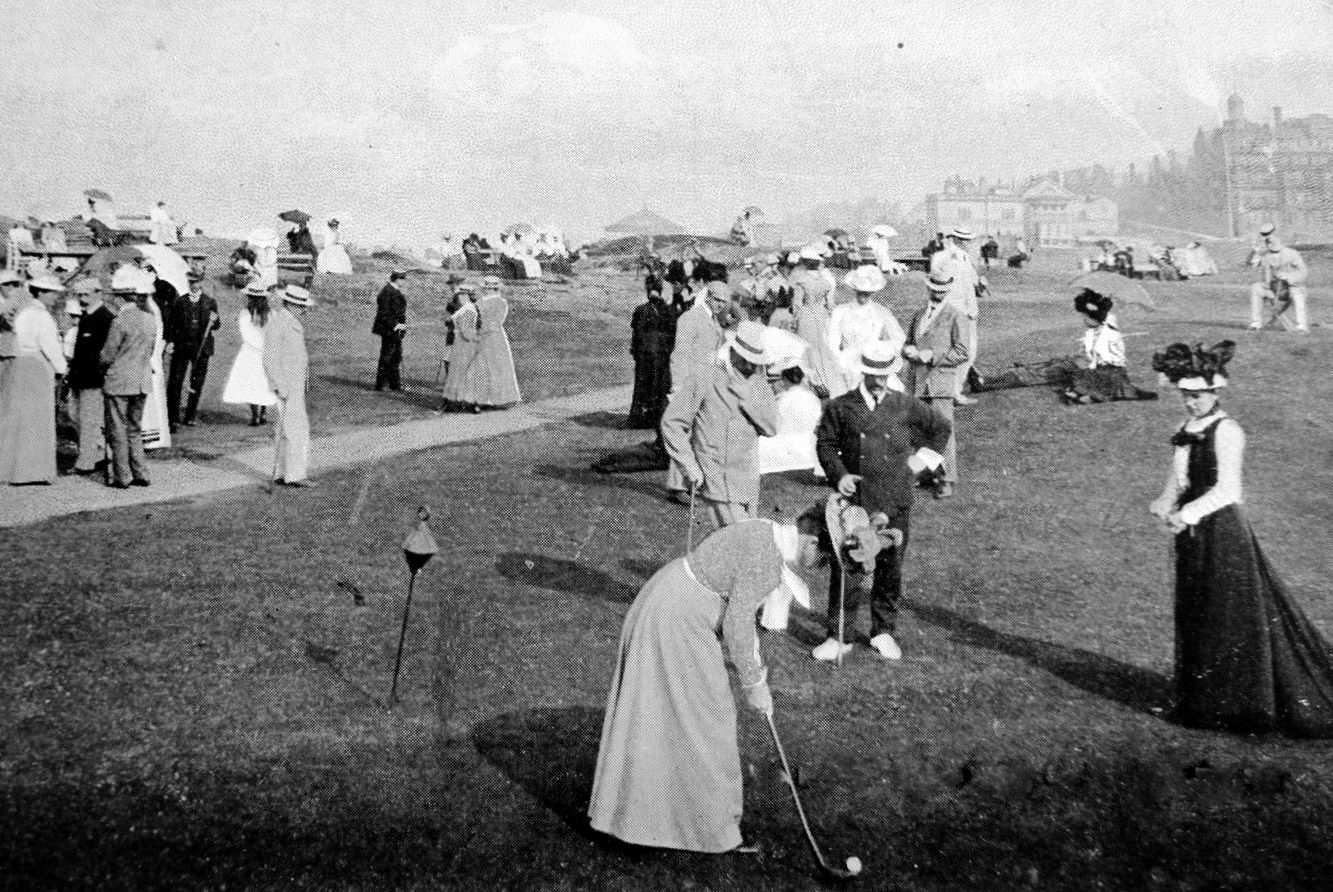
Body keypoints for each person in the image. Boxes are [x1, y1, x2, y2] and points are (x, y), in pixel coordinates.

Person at [589, 509, 827, 853]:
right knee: (707, 719)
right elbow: (736, 625)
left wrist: (755, 674)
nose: (820, 567)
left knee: (672, 713)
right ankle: (710, 829)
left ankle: (654, 817)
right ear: (812, 541)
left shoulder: (765, 529)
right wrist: (755, 684)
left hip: (668, 600)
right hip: (677, 620)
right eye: (823, 559)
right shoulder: (767, 559)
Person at [1148, 341, 1333, 737]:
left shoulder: (1228, 431)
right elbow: (1180, 478)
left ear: (1215, 393)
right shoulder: (1185, 429)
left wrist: (1186, 513)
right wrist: (1165, 501)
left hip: (1224, 533)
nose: (1190, 402)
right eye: (1185, 395)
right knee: (1198, 610)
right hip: (1193, 536)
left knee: (1230, 614)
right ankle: (1204, 701)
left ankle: (1242, 705)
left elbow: (1228, 489)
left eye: (1197, 396)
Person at [814, 342, 952, 661]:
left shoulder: (906, 405)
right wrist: (840, 475)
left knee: (890, 569)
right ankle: (839, 635)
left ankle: (883, 631)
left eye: (884, 375)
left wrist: (916, 468)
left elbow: (940, 428)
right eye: (873, 375)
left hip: (895, 502)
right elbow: (825, 443)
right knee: (847, 567)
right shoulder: (840, 407)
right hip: (856, 505)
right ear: (863, 371)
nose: (879, 381)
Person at [661, 321, 778, 528]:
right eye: (747, 360)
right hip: (717, 479)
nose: (751, 367)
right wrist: (689, 466)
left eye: (756, 362)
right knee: (743, 545)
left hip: (748, 480)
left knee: (736, 546)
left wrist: (747, 399)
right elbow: (672, 423)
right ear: (733, 352)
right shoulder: (705, 376)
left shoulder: (759, 383)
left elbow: (771, 428)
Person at [902, 271, 969, 497]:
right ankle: (926, 472)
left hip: (940, 384)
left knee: (942, 431)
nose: (938, 293)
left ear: (948, 290)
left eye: (942, 290)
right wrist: (907, 350)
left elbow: (962, 352)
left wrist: (932, 356)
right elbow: (909, 342)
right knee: (920, 431)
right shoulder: (919, 314)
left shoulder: (956, 316)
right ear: (928, 288)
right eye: (934, 289)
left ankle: (946, 478)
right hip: (917, 382)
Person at [0, 272, 67, 485]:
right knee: (38, 419)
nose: (56, 297)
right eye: (53, 293)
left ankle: (13, 470)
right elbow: (50, 347)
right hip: (37, 366)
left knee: (18, 417)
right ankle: (34, 471)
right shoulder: (41, 316)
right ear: (42, 293)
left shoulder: (22, 313)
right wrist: (62, 367)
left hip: (20, 364)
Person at [98, 267, 157, 488]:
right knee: (134, 428)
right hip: (142, 380)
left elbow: (108, 355)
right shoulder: (150, 320)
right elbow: (150, 351)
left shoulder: (119, 321)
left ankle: (122, 475)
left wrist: (100, 362)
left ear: (120, 297)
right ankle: (141, 472)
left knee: (118, 429)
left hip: (119, 381)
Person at [1062, 289, 1157, 404]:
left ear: (1094, 318)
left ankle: (1088, 397)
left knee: (1100, 381)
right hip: (1100, 369)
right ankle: (1081, 393)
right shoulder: (1092, 331)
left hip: (1110, 371)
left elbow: (1105, 356)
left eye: (1086, 317)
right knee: (1089, 376)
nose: (1083, 320)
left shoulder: (1108, 334)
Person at [827, 264, 906, 394]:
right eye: (860, 292)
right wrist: (841, 360)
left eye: (867, 293)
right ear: (854, 290)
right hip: (848, 364)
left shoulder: (880, 312)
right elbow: (832, 341)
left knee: (891, 395)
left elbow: (898, 337)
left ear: (872, 292)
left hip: (874, 361)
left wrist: (882, 351)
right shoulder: (840, 311)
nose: (862, 296)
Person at [264, 284, 314, 486]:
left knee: (288, 428)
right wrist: (279, 384)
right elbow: (270, 358)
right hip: (287, 384)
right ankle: (295, 475)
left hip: (294, 383)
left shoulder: (289, 320)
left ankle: (283, 473)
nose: (305, 309)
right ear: (291, 304)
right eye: (302, 305)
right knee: (295, 429)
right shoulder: (280, 322)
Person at [66, 277, 116, 474]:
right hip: (80, 378)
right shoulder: (87, 316)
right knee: (75, 416)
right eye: (79, 295)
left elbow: (106, 353)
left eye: (86, 294)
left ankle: (85, 462)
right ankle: (100, 452)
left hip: (93, 380)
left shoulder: (105, 318)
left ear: (98, 293)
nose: (82, 298)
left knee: (88, 420)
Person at [929, 227, 982, 405]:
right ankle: (952, 392)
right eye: (965, 239)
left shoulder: (964, 258)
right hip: (958, 310)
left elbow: (972, 284)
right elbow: (940, 284)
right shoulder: (947, 257)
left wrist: (979, 283)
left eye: (968, 239)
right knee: (964, 351)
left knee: (959, 351)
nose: (968, 243)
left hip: (962, 309)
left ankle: (948, 390)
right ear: (957, 240)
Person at [163, 269, 221, 429]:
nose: (193, 285)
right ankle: (172, 417)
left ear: (201, 282)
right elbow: (171, 324)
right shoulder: (180, 302)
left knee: (197, 382)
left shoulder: (210, 302)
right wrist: (170, 341)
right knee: (175, 382)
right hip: (182, 347)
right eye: (191, 282)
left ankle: (190, 415)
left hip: (201, 349)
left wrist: (214, 320)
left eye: (196, 282)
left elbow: (217, 325)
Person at [458, 275, 521, 409]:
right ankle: (476, 400)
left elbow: (496, 323)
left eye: (488, 288)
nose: (486, 290)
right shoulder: (479, 301)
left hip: (494, 339)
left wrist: (479, 330)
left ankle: (491, 400)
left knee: (495, 368)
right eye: (485, 287)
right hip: (479, 338)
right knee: (477, 368)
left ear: (494, 288)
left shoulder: (500, 303)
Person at [222, 281, 278, 426]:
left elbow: (247, 334)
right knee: (262, 382)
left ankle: (257, 415)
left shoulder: (247, 314)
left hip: (252, 352)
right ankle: (261, 413)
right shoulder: (269, 314)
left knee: (254, 382)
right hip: (263, 351)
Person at [757, 356, 823, 476]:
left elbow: (774, 428)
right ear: (802, 378)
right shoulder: (812, 398)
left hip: (790, 446)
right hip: (809, 446)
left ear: (783, 380)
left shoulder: (782, 400)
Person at [628, 279, 675, 429]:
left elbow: (636, 334)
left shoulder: (641, 310)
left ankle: (639, 418)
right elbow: (672, 335)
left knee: (642, 386)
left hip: (645, 353)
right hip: (660, 354)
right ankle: (655, 418)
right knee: (658, 386)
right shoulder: (667, 311)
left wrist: (635, 351)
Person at [1248, 225, 1309, 332]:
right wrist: (1255, 251)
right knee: (1256, 287)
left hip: (1291, 288)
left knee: (1298, 293)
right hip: (1273, 289)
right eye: (1268, 242)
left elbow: (1304, 273)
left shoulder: (1292, 253)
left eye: (1273, 241)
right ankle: (1256, 323)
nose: (1270, 244)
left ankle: (1301, 325)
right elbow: (1250, 263)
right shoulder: (1266, 255)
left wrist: (1289, 277)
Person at [139, 270, 171, 450]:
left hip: (150, 357)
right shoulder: (151, 308)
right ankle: (150, 434)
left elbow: (153, 336)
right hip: (152, 355)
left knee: (151, 396)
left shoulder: (151, 310)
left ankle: (152, 436)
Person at [440, 282, 480, 411]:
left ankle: (470, 403)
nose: (461, 297)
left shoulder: (471, 308)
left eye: (463, 295)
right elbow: (449, 315)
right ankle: (451, 402)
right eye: (459, 295)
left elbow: (475, 326)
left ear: (468, 296)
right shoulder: (455, 306)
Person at [372, 270, 410, 392]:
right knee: (387, 356)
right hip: (388, 329)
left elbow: (399, 312)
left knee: (396, 356)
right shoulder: (387, 292)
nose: (404, 281)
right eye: (403, 278)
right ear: (397, 279)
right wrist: (396, 325)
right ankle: (381, 384)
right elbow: (384, 313)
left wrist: (401, 326)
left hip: (394, 329)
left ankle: (394, 383)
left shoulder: (394, 291)